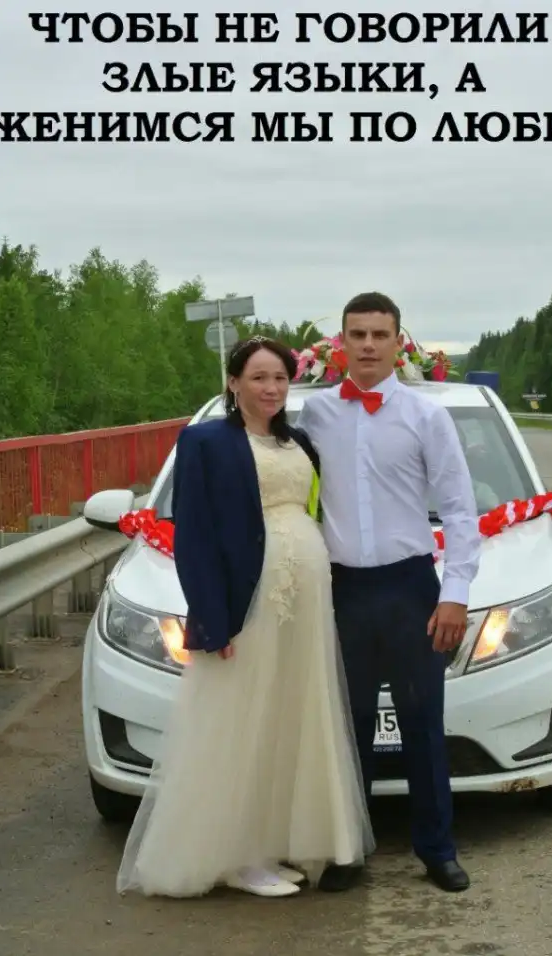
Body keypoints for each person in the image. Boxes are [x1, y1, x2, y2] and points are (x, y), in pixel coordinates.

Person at [115, 336, 375, 900]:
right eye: (258, 377)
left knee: (289, 718)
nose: (271, 388)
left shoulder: (299, 441)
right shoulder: (206, 441)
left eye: (280, 378)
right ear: (234, 383)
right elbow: (196, 536)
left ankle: (278, 841)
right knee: (242, 721)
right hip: (248, 601)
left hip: (308, 604)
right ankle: (236, 857)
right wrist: (211, 620)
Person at [296, 292, 481, 894]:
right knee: (346, 727)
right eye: (358, 334)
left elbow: (458, 508)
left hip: (410, 587)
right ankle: (349, 850)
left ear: (399, 342)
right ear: (342, 344)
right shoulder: (316, 415)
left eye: (380, 334)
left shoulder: (427, 418)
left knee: (422, 719)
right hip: (342, 590)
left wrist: (455, 593)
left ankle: (437, 849)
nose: (369, 345)